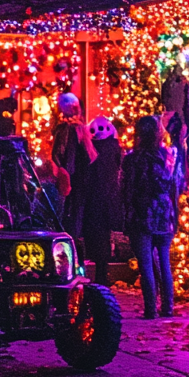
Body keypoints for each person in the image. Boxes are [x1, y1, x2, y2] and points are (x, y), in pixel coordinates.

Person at [121, 115, 179, 319]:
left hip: (142, 212)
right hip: (164, 211)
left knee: (146, 263)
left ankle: (151, 308)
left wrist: (127, 212)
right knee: (164, 261)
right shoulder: (168, 156)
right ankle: (168, 307)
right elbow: (174, 186)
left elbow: (128, 188)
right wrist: (175, 215)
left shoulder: (132, 159)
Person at [81, 117, 122, 286]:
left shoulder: (88, 150)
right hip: (108, 197)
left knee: (94, 236)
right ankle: (102, 274)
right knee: (104, 237)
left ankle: (97, 275)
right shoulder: (115, 149)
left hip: (92, 199)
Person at [50, 93, 96, 239]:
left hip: (74, 178)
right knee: (75, 212)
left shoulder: (67, 130)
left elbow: (58, 154)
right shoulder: (78, 130)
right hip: (79, 178)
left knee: (71, 213)